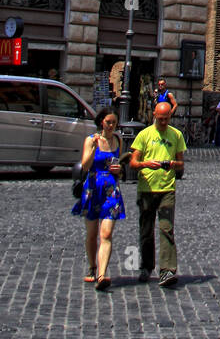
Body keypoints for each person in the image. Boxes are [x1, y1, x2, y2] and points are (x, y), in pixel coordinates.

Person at [129, 100, 186, 288]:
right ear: (154, 115)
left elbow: (181, 164)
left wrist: (172, 165)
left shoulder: (176, 135)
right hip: (146, 189)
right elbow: (133, 163)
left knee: (166, 228)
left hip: (167, 189)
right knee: (146, 230)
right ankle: (146, 266)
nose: (163, 122)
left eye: (166, 119)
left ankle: (167, 270)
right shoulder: (144, 135)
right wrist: (147, 164)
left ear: (170, 117)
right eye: (160, 118)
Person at [72, 107, 125, 290]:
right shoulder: (91, 140)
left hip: (111, 189)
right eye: (108, 122)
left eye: (114, 123)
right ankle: (92, 267)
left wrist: (120, 170)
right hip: (93, 188)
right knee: (92, 234)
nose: (111, 126)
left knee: (106, 234)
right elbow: (85, 166)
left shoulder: (118, 140)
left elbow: (119, 164)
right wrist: (93, 149)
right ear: (101, 121)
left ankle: (102, 275)